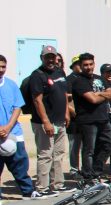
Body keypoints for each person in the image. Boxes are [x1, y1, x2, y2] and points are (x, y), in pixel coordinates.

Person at [26, 45, 70, 196]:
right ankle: (42, 188)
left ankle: (57, 184)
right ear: (42, 58)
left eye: (53, 57)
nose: (50, 60)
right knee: (45, 155)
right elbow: (37, 100)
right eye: (47, 57)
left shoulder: (60, 72)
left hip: (59, 120)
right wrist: (46, 121)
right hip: (45, 123)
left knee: (59, 153)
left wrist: (66, 113)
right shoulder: (37, 75)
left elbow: (64, 94)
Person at [0, 54, 44, 201]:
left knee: (20, 164)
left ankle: (28, 191)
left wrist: (8, 127)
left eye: (3, 66)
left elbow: (17, 107)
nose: (1, 70)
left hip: (13, 132)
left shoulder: (11, 84)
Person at [69, 53, 111, 180]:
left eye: (91, 64)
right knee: (89, 150)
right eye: (85, 65)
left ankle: (96, 170)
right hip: (87, 120)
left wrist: (97, 94)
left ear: (94, 64)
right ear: (80, 66)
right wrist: (102, 94)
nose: (89, 67)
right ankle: (88, 176)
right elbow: (92, 100)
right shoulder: (78, 81)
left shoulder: (99, 78)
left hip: (103, 118)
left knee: (110, 145)